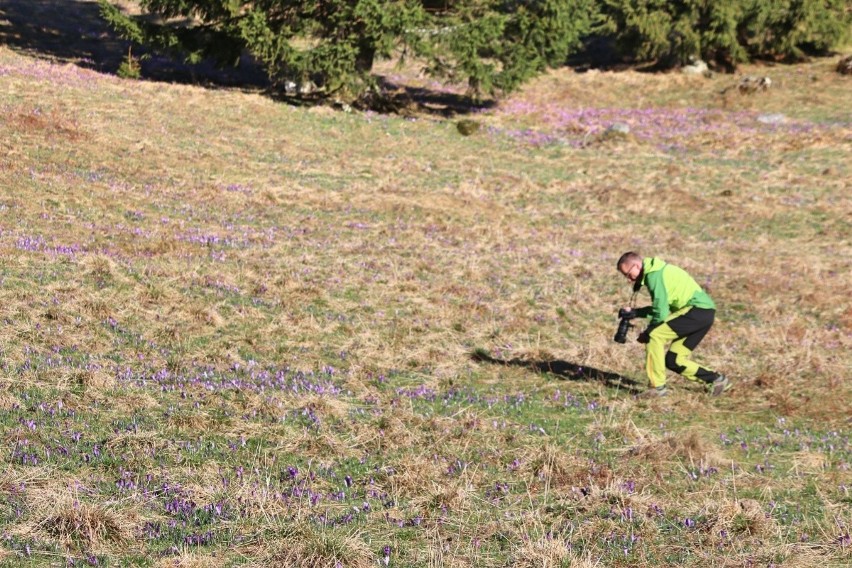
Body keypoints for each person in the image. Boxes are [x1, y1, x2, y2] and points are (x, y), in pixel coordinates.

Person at [616, 252, 731, 397]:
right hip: (704, 314)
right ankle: (716, 380)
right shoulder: (657, 271)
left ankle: (656, 388)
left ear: (637, 265)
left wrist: (648, 332)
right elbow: (662, 307)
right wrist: (636, 313)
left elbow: (661, 311)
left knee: (654, 336)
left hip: (696, 311)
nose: (629, 279)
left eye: (628, 274)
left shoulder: (654, 275)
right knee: (674, 360)